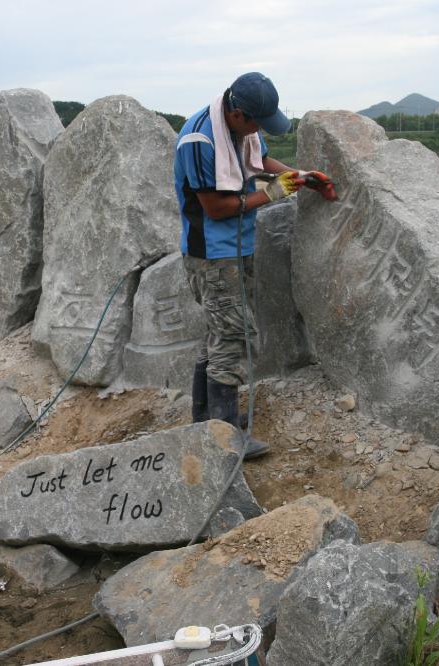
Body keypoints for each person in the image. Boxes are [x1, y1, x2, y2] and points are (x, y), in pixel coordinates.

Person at [173, 72, 335, 458]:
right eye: (258, 124)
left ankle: (204, 422)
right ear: (239, 113)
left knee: (221, 332)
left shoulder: (242, 130)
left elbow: (259, 159)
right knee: (234, 336)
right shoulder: (199, 140)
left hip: (239, 246)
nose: (259, 131)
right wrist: (274, 193)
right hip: (211, 253)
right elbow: (215, 208)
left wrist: (297, 176)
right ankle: (226, 437)